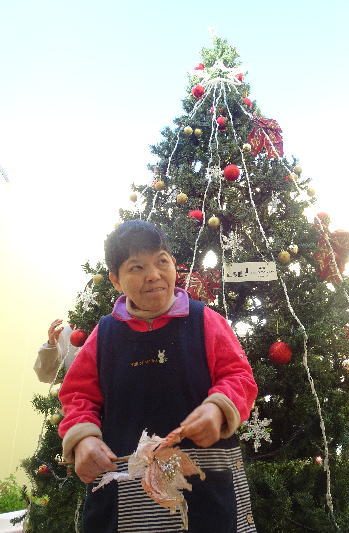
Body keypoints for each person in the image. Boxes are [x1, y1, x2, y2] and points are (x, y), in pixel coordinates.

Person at [58, 220, 258, 533]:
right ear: (115, 280)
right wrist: (83, 438)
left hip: (206, 488)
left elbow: (239, 376)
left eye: (161, 261)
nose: (153, 275)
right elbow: (77, 395)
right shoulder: (104, 334)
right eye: (136, 267)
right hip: (127, 493)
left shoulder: (206, 321)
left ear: (174, 265)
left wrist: (219, 408)